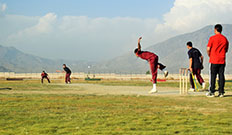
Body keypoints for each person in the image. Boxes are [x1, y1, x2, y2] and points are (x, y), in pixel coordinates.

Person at [206, 24, 229, 97]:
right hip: (222, 59)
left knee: (213, 76)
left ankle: (212, 92)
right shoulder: (225, 39)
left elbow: (208, 49)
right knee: (221, 75)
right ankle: (221, 92)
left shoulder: (212, 38)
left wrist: (210, 55)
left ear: (215, 29)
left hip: (214, 59)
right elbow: (226, 50)